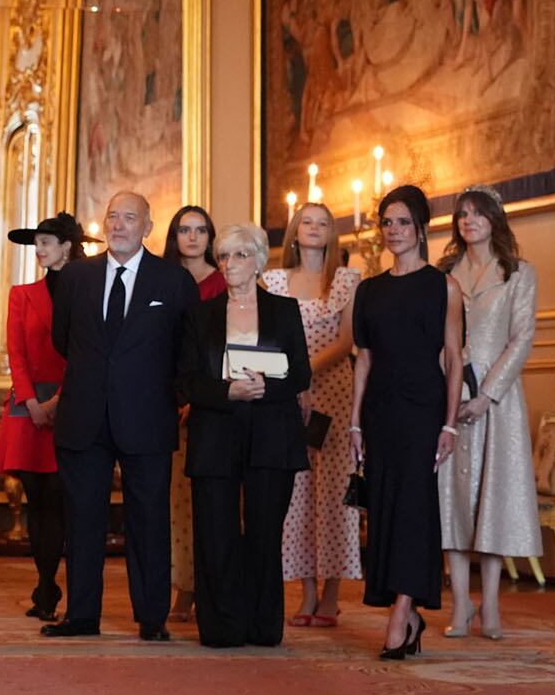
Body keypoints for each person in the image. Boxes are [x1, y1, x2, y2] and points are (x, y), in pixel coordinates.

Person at [47, 191, 199, 641]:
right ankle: (82, 615)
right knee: (83, 519)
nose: (118, 225)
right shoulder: (77, 277)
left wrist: (168, 396)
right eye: (113, 216)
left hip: (148, 416)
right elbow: (63, 340)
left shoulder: (173, 283)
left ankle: (151, 618)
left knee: (149, 519)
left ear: (147, 227)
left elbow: (186, 350)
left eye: (129, 218)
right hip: (84, 415)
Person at [178, 223, 311, 648]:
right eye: (223, 256)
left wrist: (265, 388)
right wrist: (228, 391)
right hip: (216, 430)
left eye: (238, 256)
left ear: (257, 260)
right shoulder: (201, 314)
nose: (229, 264)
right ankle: (221, 628)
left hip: (271, 432)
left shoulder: (284, 311)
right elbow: (185, 382)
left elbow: (301, 374)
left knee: (263, 533)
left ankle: (261, 626)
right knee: (215, 533)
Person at [350, 185, 465, 661]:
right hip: (379, 412)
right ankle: (406, 611)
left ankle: (403, 610)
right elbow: (363, 359)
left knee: (415, 508)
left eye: (402, 222)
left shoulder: (444, 286)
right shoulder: (369, 289)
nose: (394, 231)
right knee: (385, 508)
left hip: (424, 410)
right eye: (387, 223)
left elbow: (455, 359)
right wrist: (355, 422)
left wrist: (451, 424)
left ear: (421, 227)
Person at [437, 186, 541, 639]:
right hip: (450, 397)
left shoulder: (519, 273)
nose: (469, 220)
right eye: (462, 214)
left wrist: (486, 394)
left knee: (493, 501)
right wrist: (452, 388)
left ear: (495, 219)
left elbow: (522, 337)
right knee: (452, 501)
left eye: (478, 214)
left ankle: (492, 604)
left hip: (498, 403)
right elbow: (437, 338)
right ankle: (461, 604)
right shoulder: (444, 274)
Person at [263, 203, 363, 626]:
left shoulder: (345, 279)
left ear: (331, 234)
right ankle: (304, 593)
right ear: (294, 231)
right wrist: (293, 379)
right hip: (289, 395)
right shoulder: (272, 280)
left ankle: (332, 593)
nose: (314, 229)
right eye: (307, 221)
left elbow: (346, 341)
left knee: (336, 495)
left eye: (323, 223)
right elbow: (267, 336)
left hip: (333, 393)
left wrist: (304, 372)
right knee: (297, 494)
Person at [0, 212, 79, 621]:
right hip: (27, 410)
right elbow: (17, 354)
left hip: (73, 403)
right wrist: (30, 402)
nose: (39, 249)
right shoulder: (21, 295)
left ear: (66, 247)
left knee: (60, 500)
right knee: (36, 501)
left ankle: (59, 586)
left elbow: (86, 353)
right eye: (37, 242)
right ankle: (46, 585)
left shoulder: (87, 292)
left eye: (47, 242)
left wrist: (58, 401)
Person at [160, 205, 226, 623]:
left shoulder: (226, 280)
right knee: (179, 502)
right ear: (173, 235)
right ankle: (183, 587)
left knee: (219, 501)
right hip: (172, 403)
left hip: (219, 401)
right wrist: (178, 398)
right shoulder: (162, 278)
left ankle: (215, 585)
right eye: (185, 230)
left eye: (201, 230)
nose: (193, 237)